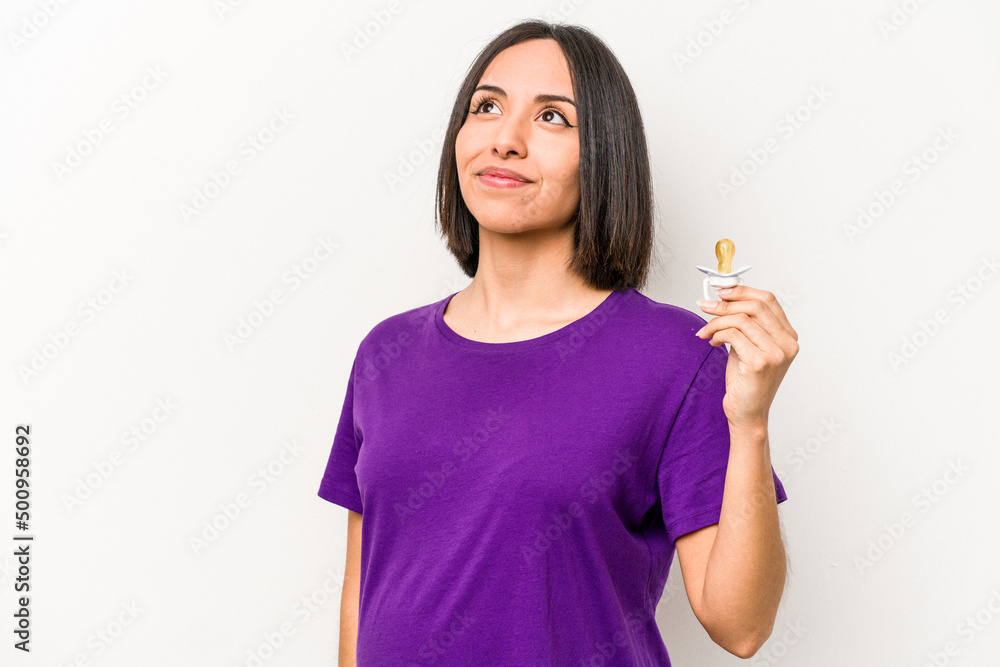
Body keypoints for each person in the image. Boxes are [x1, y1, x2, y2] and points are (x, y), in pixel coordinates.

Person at [317, 19, 798, 666]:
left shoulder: (679, 355)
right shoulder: (386, 353)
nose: (506, 140)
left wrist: (751, 423)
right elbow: (363, 595)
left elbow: (741, 626)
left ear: (603, 156)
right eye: (486, 106)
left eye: (552, 118)